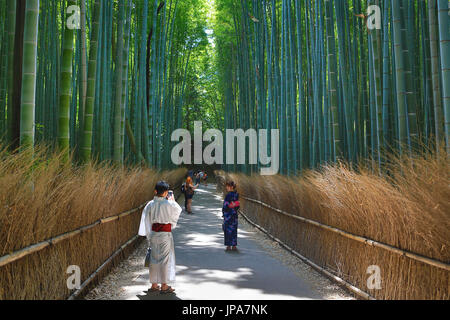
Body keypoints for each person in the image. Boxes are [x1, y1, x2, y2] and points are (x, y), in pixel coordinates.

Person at [138, 181, 182, 294]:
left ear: (155, 191)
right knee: (165, 260)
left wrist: (148, 234)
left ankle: (154, 285)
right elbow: (178, 210)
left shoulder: (150, 204)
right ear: (167, 192)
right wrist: (172, 200)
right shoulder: (170, 204)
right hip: (165, 234)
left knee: (154, 258)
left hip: (153, 233)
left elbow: (146, 220)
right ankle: (164, 285)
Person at [222, 181, 240, 252]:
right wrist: (234, 205)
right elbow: (238, 204)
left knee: (227, 230)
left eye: (227, 186)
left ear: (231, 187)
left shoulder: (228, 195)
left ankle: (228, 246)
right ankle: (234, 246)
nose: (226, 188)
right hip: (234, 214)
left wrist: (224, 211)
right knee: (234, 229)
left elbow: (225, 205)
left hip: (228, 214)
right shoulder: (236, 194)